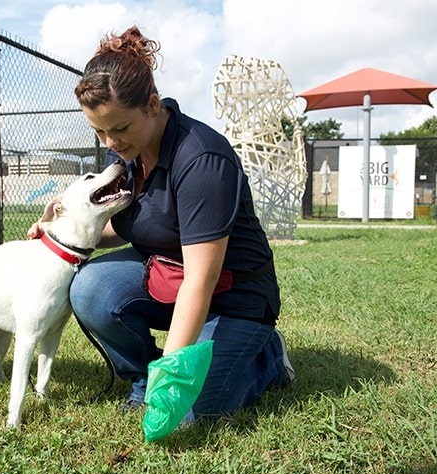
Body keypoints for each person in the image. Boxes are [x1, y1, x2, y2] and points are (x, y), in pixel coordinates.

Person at [30, 26, 295, 423]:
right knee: (90, 288)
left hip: (232, 296)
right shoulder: (128, 154)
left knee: (191, 409)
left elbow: (200, 281)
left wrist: (173, 379)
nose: (110, 143)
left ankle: (268, 356)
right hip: (168, 279)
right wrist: (55, 238)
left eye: (119, 128)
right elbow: (127, 227)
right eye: (99, 130)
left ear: (153, 105)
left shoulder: (202, 159)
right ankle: (142, 377)